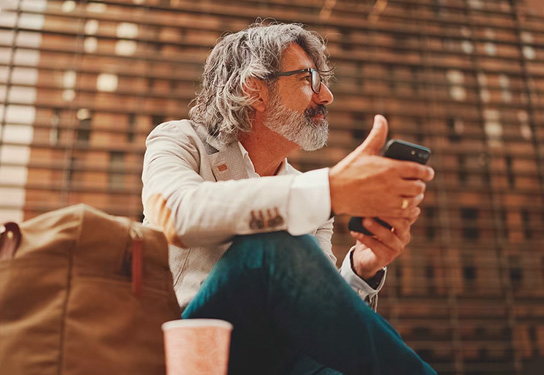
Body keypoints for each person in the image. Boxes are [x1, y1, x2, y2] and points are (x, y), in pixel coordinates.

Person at [142, 21, 436, 375]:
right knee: (274, 247)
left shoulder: (307, 189)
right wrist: (329, 190)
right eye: (308, 79)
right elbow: (174, 214)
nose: (325, 95)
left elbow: (319, 313)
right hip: (187, 348)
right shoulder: (180, 140)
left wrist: (361, 268)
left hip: (279, 359)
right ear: (255, 90)